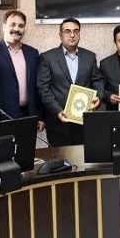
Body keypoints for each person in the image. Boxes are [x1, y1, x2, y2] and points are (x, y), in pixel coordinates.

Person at [37, 18, 104, 146]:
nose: (72, 35)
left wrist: (98, 97)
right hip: (58, 123)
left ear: (79, 34)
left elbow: (98, 80)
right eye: (67, 31)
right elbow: (43, 89)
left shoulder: (90, 56)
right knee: (60, 158)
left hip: (84, 124)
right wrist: (57, 111)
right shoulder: (47, 57)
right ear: (60, 35)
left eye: (75, 31)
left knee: (83, 157)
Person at [0, 10, 44, 130]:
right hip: (1, 117)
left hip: (28, 115)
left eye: (21, 26)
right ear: (4, 26)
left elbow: (37, 87)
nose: (17, 29)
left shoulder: (33, 53)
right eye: (13, 24)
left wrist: (39, 116)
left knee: (27, 143)